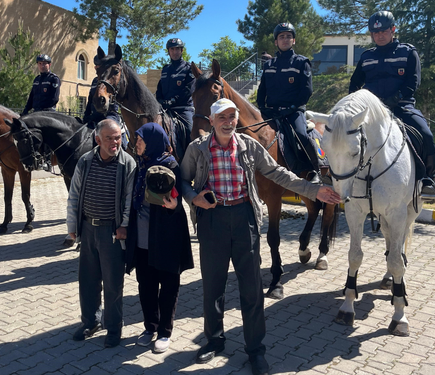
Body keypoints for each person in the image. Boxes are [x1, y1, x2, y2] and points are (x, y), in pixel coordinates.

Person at [180, 98, 341, 375]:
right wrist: (194, 198)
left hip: (244, 220)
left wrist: (314, 191)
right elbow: (183, 178)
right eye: (223, 117)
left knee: (252, 290)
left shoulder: (249, 146)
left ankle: (255, 350)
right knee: (213, 287)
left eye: (233, 117)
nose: (229, 122)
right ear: (211, 120)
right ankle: (214, 340)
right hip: (212, 221)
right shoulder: (197, 149)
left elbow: (278, 173)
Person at [349, 11, 435, 199]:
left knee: (426, 135)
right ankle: (338, 176)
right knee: (343, 133)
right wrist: (355, 102)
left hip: (401, 107)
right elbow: (354, 83)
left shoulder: (408, 52)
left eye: (384, 31)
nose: (379, 35)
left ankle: (427, 180)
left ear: (393, 30)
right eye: (375, 32)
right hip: (372, 112)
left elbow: (413, 82)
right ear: (372, 34)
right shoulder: (366, 57)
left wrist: (395, 98)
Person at [66, 119, 136, 348]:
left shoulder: (127, 164)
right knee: (87, 279)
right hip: (87, 228)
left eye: (118, 138)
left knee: (113, 283)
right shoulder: (85, 162)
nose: (115, 142)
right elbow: (74, 195)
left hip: (112, 232)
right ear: (98, 140)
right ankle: (90, 322)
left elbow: (128, 200)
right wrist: (72, 228)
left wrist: (123, 225)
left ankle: (114, 328)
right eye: (109, 138)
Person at [125, 122, 194, 353]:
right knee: (145, 285)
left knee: (168, 285)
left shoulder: (169, 165)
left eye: (141, 140)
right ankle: (149, 327)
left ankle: (165, 331)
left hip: (166, 237)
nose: (137, 144)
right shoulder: (141, 165)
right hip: (142, 238)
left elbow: (175, 200)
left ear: (153, 141)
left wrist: (174, 205)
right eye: (137, 140)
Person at [257, 23, 321, 184]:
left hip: (293, 111)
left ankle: (315, 169)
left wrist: (293, 108)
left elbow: (306, 91)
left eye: (288, 36)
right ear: (275, 42)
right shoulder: (268, 65)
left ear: (294, 40)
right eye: (281, 37)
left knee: (301, 135)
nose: (285, 39)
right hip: (271, 112)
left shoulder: (301, 62)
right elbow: (262, 90)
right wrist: (261, 107)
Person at [156, 38, 195, 157]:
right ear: (168, 51)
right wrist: (161, 100)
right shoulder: (165, 69)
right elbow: (159, 88)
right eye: (172, 49)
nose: (175, 52)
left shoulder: (188, 68)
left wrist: (173, 101)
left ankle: (192, 158)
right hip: (165, 109)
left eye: (177, 49)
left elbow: (188, 90)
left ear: (182, 50)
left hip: (183, 109)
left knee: (191, 131)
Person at [83, 56, 129, 149]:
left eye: (99, 65)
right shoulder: (95, 81)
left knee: (112, 130)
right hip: (95, 114)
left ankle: (124, 151)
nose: (97, 67)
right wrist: (86, 115)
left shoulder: (110, 79)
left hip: (109, 114)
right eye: (96, 65)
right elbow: (90, 99)